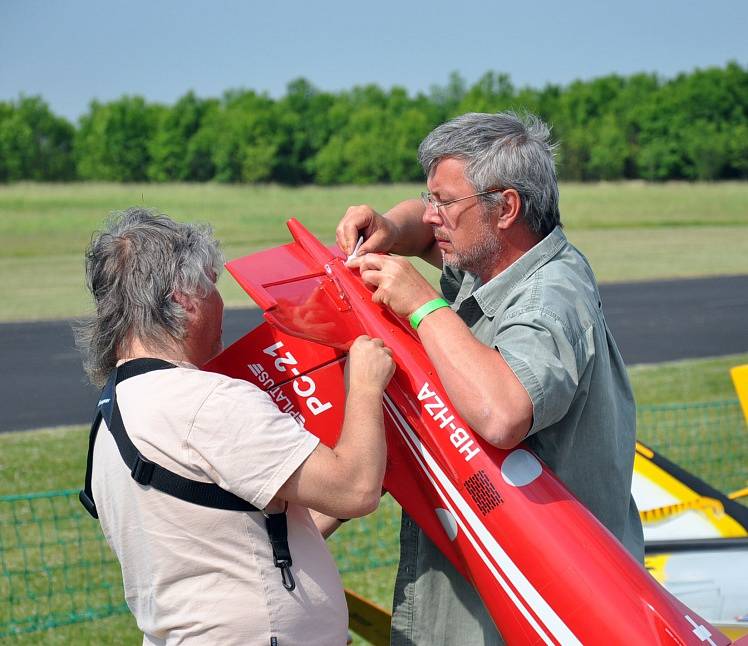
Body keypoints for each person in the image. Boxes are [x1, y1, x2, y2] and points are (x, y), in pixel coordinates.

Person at [336, 111, 644, 645]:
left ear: (506, 208)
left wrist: (424, 307)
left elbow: (503, 413)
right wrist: (387, 224)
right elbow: (420, 228)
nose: (431, 217)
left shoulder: (549, 297)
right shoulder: (501, 261)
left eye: (445, 202)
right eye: (430, 198)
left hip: (538, 615)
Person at [76, 208, 395, 645]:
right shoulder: (207, 401)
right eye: (211, 287)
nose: (220, 303)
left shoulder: (114, 412)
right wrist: (364, 383)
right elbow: (355, 488)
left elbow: (227, 538)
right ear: (182, 299)